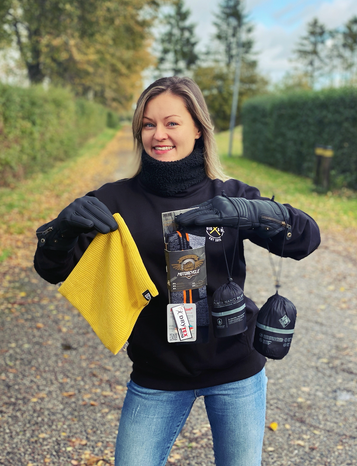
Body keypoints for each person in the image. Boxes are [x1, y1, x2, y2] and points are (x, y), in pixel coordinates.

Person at [34, 76, 321, 466]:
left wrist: (252, 212)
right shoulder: (113, 199)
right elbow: (52, 269)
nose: (159, 134)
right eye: (148, 124)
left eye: (172, 123)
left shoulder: (229, 194)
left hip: (236, 370)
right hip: (158, 374)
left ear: (198, 129)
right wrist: (61, 230)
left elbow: (306, 239)